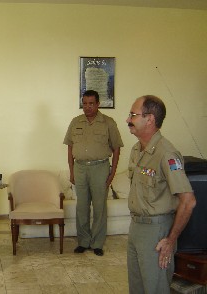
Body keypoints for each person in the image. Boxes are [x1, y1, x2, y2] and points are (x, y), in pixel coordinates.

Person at [126, 95, 196, 293]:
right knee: (137, 287)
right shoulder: (137, 149)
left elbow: (188, 201)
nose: (128, 119)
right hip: (136, 226)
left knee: (155, 288)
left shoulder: (166, 154)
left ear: (150, 119)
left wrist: (170, 240)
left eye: (133, 114)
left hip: (156, 232)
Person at [63, 90, 123, 256]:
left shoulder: (108, 122)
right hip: (80, 168)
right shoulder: (75, 122)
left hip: (100, 168)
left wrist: (112, 173)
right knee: (81, 207)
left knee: (99, 207)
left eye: (91, 103)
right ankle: (83, 242)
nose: (87, 107)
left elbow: (117, 148)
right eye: (85, 103)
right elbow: (69, 146)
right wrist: (71, 170)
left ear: (98, 104)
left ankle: (97, 243)